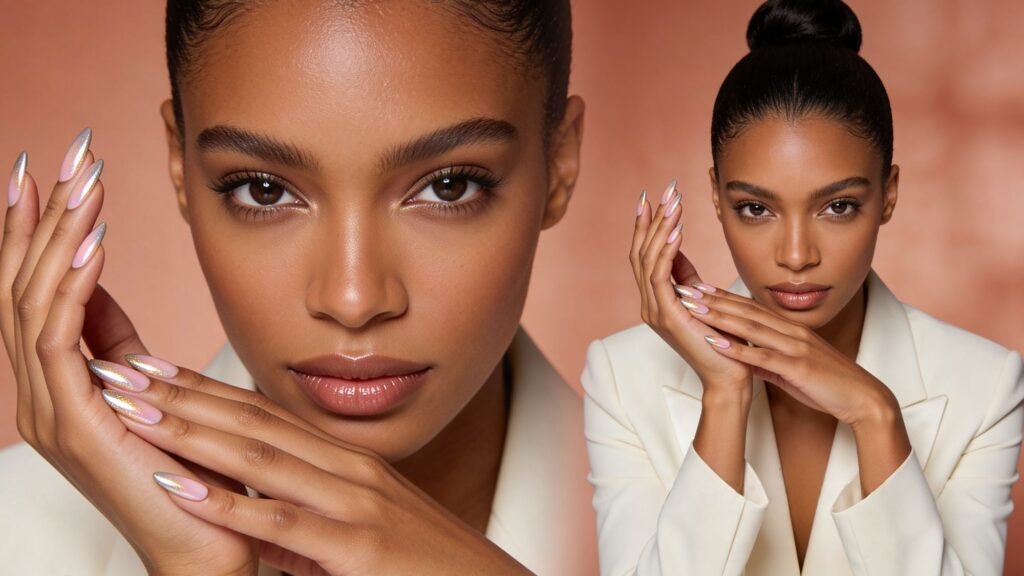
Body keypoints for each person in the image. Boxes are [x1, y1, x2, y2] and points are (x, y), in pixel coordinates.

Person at [0, 1, 597, 574]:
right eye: (264, 190)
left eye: (448, 187)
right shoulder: (15, 533)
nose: (353, 299)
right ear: (181, 166)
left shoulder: (682, 521)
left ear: (560, 164)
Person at [582, 1, 1023, 574]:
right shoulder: (622, 376)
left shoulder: (985, 386)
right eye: (756, 208)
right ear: (715, 196)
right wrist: (724, 395)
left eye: (838, 206)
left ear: (888, 194)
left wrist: (876, 415)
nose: (796, 256)